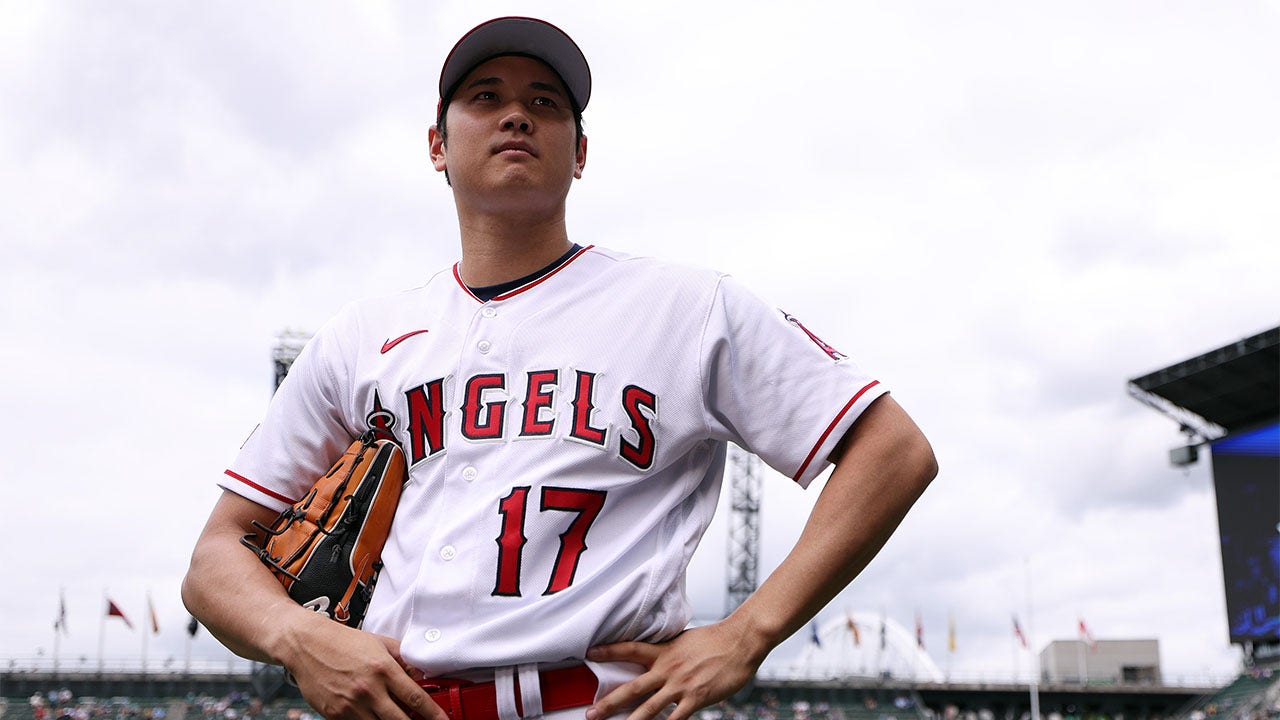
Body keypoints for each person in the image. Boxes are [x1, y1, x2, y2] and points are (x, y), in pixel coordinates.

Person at [181, 16, 937, 720]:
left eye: (545, 102)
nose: (517, 115)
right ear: (438, 145)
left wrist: (749, 632)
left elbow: (893, 451)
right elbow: (215, 559)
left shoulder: (684, 307)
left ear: (579, 154)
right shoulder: (360, 338)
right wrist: (292, 634)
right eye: (487, 97)